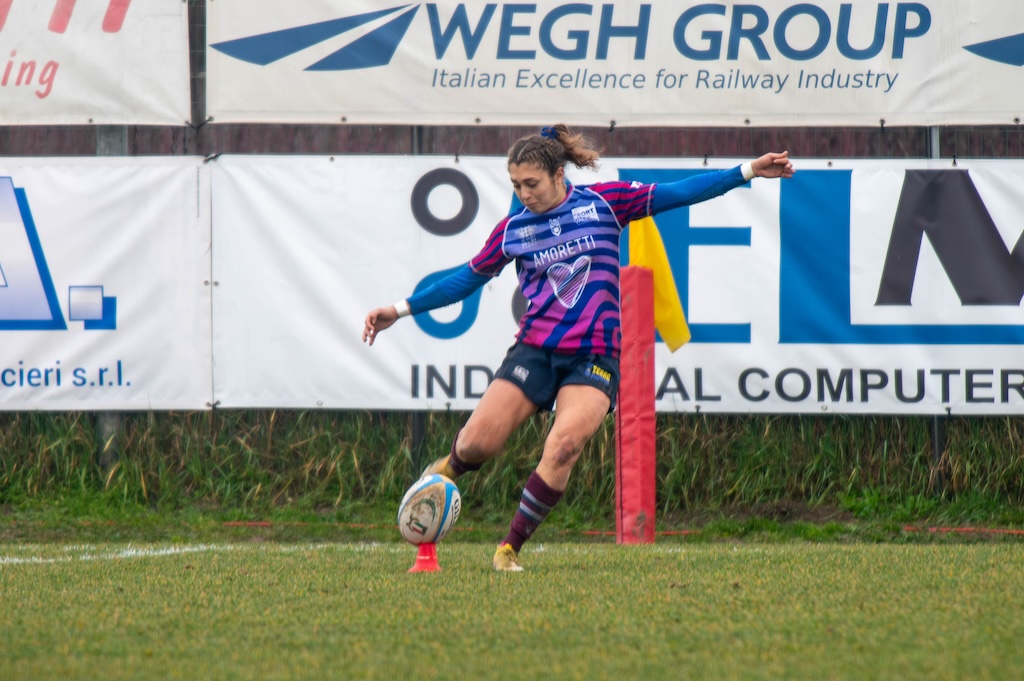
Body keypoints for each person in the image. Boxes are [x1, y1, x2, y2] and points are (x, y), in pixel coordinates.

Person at [363, 124, 794, 571]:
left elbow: (679, 193)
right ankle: (441, 484)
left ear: (558, 174)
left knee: (565, 445)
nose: (524, 194)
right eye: (515, 185)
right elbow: (464, 281)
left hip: (594, 357)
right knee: (474, 445)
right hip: (534, 352)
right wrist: (400, 309)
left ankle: (508, 549)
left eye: (531, 183)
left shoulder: (605, 203)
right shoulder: (514, 229)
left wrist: (747, 171)